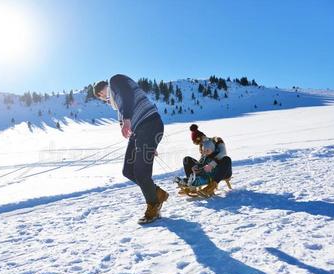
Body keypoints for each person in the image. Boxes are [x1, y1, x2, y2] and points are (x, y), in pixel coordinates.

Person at [93, 74, 169, 224]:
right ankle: (156, 193)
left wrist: (126, 118)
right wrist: (149, 145)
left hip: (150, 124)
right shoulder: (118, 104)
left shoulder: (115, 81)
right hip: (141, 132)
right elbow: (125, 104)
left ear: (100, 93)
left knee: (141, 173)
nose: (105, 101)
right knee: (128, 170)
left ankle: (154, 206)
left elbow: (127, 94)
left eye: (102, 98)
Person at [182, 124, 232, 194]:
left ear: (203, 137)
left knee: (227, 159)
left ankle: (212, 185)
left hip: (221, 170)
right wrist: (197, 166)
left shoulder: (217, 140)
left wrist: (212, 164)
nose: (200, 144)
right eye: (199, 144)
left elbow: (223, 153)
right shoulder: (202, 146)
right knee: (187, 159)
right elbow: (203, 160)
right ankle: (192, 183)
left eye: (200, 142)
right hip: (208, 171)